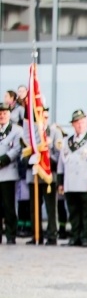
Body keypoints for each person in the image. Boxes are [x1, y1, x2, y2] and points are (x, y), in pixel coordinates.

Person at [57, 109, 87, 248]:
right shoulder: (66, 141)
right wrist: (60, 182)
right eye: (77, 122)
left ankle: (85, 236)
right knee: (73, 211)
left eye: (82, 122)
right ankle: (75, 236)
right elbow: (61, 163)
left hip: (86, 182)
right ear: (73, 124)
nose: (79, 125)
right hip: (70, 183)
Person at [23, 107, 62, 245]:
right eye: (41, 117)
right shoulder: (31, 134)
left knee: (51, 207)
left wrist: (45, 158)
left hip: (49, 175)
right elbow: (23, 153)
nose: (43, 120)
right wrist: (31, 157)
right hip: (33, 175)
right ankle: (36, 234)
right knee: (34, 207)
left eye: (45, 117)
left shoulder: (55, 132)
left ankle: (52, 234)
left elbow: (59, 156)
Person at [0, 103, 23, 244]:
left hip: (8, 172)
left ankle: (10, 234)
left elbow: (16, 149)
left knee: (9, 206)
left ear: (9, 114)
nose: (2, 116)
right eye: (0, 113)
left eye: (4, 113)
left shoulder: (16, 130)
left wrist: (2, 160)